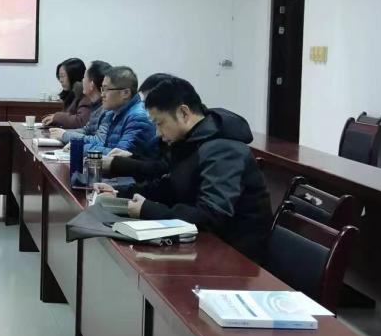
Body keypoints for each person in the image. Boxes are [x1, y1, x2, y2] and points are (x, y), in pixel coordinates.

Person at [97, 77, 272, 262]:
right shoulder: (190, 141)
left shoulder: (224, 149)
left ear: (183, 113)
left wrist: (149, 210)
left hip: (234, 256)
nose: (158, 133)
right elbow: (170, 186)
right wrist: (119, 194)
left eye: (159, 123)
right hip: (204, 244)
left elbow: (210, 216)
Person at [105, 72, 176, 180]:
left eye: (106, 89)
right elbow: (152, 160)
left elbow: (160, 169)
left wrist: (116, 163)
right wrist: (130, 157)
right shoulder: (113, 114)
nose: (145, 107)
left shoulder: (139, 116)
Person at [49, 60, 110, 143]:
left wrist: (64, 135)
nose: (82, 81)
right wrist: (62, 133)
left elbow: (99, 141)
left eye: (84, 77)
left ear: (91, 85)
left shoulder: (107, 110)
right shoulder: (96, 106)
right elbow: (86, 130)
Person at [42, 58, 92, 129]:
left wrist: (57, 117)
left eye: (62, 76)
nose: (60, 80)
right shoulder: (71, 94)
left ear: (74, 76)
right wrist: (53, 120)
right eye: (59, 77)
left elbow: (81, 121)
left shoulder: (85, 95)